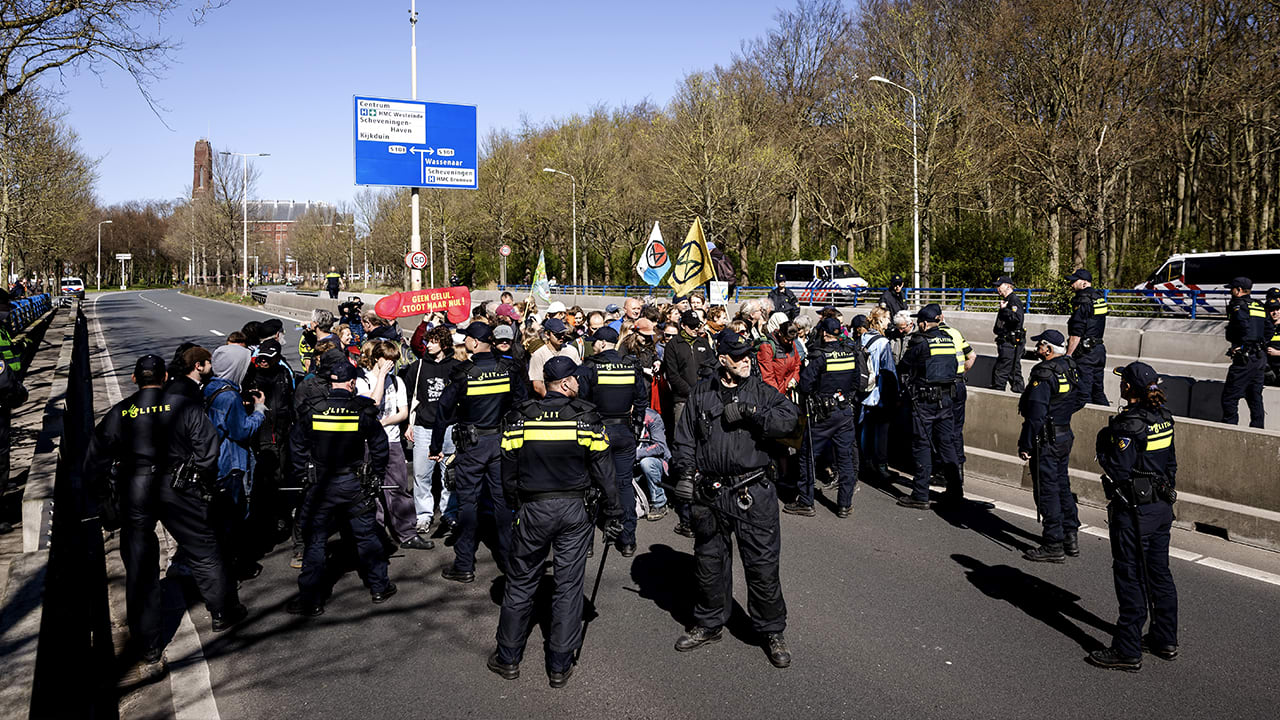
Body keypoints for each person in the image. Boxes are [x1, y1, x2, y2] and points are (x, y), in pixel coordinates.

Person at [85, 355, 246, 680]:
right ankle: (220, 612)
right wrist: (198, 479)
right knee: (203, 550)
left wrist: (104, 498)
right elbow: (208, 450)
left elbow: (94, 460)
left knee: (140, 567)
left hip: (135, 489)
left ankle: (149, 647)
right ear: (166, 377)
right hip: (178, 487)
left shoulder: (121, 412)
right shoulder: (184, 406)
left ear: (134, 379)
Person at [488, 355, 620, 688]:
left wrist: (514, 503)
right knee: (569, 585)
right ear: (564, 383)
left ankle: (508, 657)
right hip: (575, 510)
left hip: (533, 508)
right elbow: (604, 469)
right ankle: (559, 665)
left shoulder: (520, 417)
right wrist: (614, 511)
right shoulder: (586, 418)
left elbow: (507, 468)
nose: (580, 382)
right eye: (576, 378)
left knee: (520, 581)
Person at [670, 331, 799, 668]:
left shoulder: (761, 392)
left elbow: (793, 425)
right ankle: (710, 622)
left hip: (753, 490)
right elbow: (685, 439)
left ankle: (771, 630)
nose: (746, 361)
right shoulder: (701, 393)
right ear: (722, 358)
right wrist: (685, 475)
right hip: (711, 492)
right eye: (738, 356)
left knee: (762, 565)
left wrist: (751, 413)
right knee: (709, 562)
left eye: (748, 355)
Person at [287, 360, 397, 616]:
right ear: (352, 383)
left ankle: (310, 600)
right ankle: (379, 587)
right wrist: (376, 475)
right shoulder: (361, 410)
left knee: (315, 541)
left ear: (331, 383)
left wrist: (303, 474)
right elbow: (380, 446)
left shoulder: (313, 409)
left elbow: (296, 445)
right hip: (354, 483)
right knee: (366, 536)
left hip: (320, 485)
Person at [1089, 361, 1179, 672]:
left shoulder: (1128, 425)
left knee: (1130, 576)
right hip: (1161, 507)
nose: (1120, 385)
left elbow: (1118, 469)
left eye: (1122, 381)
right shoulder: (1164, 417)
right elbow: (1171, 465)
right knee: (1159, 574)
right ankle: (1165, 638)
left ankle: (1127, 650)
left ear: (1128, 387)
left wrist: (1103, 444)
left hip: (1135, 512)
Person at [430, 321, 528, 582]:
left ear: (474, 342)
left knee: (467, 504)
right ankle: (510, 562)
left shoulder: (463, 372)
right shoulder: (507, 369)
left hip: (471, 446)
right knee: (503, 502)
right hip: (500, 442)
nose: (465, 343)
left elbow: (443, 411)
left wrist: (435, 446)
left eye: (467, 339)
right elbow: (521, 403)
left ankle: (464, 564)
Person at [575, 326, 649, 556]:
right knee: (624, 484)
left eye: (594, 343)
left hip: (597, 431)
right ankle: (627, 540)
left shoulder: (589, 367)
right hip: (624, 430)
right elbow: (641, 399)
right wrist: (636, 427)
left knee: (591, 486)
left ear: (600, 343)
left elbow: (582, 403)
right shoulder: (631, 365)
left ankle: (586, 543)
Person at [358, 339, 431, 550]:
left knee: (398, 487)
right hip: (368, 444)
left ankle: (407, 534)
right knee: (371, 489)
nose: (391, 364)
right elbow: (373, 403)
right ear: (377, 358)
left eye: (394, 360)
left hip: (391, 441)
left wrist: (383, 422)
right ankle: (376, 534)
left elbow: (403, 413)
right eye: (387, 359)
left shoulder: (397, 381)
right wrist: (381, 376)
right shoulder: (363, 381)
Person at [1017, 330, 1083, 563]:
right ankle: (1070, 536)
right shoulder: (1070, 366)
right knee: (1062, 485)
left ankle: (1053, 543)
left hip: (1045, 440)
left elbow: (1035, 414)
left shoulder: (1043, 373)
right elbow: (1082, 397)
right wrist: (1061, 413)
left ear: (1048, 349)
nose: (1037, 349)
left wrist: (1025, 444)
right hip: (1064, 435)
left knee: (1047, 490)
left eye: (1040, 345)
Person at [788, 317, 860, 519]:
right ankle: (844, 505)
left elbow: (805, 386)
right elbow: (856, 383)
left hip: (822, 415)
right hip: (844, 411)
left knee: (808, 456)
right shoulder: (851, 353)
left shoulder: (819, 356)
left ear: (824, 334)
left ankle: (806, 502)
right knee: (845, 458)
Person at [205, 344, 267, 579]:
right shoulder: (230, 396)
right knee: (234, 515)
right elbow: (241, 430)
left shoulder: (210, 387)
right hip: (231, 461)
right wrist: (259, 410)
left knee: (220, 517)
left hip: (215, 461)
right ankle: (232, 568)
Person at [896, 304, 963, 509]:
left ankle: (920, 494)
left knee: (922, 445)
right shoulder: (948, 339)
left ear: (924, 324)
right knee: (947, 444)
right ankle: (955, 491)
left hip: (925, 402)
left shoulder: (921, 342)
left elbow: (904, 366)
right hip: (947, 400)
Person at [405, 324, 461, 535]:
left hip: (449, 427)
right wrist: (408, 424)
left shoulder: (456, 367)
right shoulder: (417, 367)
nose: (428, 345)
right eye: (428, 341)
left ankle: (449, 513)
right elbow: (409, 396)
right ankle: (423, 516)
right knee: (422, 474)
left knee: (449, 475)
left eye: (434, 341)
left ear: (444, 344)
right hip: (423, 427)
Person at [937, 310, 981, 501]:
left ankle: (946, 475)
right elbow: (972, 356)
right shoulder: (955, 333)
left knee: (942, 430)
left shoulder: (934, 336)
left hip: (945, 388)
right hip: (959, 384)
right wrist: (960, 373)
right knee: (956, 430)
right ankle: (958, 474)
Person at [1220, 276, 1268, 428]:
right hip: (1260, 358)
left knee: (1229, 398)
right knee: (1255, 397)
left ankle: (1229, 430)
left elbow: (1242, 326)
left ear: (1239, 290)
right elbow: (1269, 329)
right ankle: (1258, 431)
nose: (1231, 292)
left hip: (1245, 359)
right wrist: (1259, 344)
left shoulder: (1238, 305)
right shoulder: (1259, 305)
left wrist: (1242, 346)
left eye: (1232, 289)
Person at [855, 312, 897, 481]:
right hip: (878, 393)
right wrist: (895, 394)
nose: (889, 321)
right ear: (880, 320)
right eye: (887, 318)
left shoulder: (861, 339)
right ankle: (881, 466)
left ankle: (865, 463)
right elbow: (889, 370)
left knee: (865, 428)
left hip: (863, 391)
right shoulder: (883, 342)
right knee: (881, 431)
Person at [1064, 269, 1109, 405]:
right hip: (1099, 350)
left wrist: (1068, 355)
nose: (1071, 285)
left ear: (1084, 283)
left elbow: (1076, 332)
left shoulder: (1082, 300)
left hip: (1085, 353)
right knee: (1098, 391)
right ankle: (1106, 414)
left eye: (1074, 281)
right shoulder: (1098, 297)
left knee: (1084, 393)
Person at [529, 318, 581, 397]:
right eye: (557, 334)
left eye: (563, 333)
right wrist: (551, 400)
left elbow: (578, 376)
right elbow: (537, 385)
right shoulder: (538, 355)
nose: (562, 337)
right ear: (547, 334)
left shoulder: (571, 350)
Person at [991, 276, 1026, 392]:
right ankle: (1019, 392)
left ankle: (997, 393)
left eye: (999, 286)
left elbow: (1017, 319)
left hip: (1010, 342)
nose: (997, 289)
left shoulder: (1013, 300)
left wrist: (1004, 310)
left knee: (1002, 370)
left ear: (1007, 286)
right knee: (1013, 370)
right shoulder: (1008, 300)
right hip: (1007, 341)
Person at [636, 407, 671, 520]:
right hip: (632, 463)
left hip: (655, 461)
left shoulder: (652, 417)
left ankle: (659, 503)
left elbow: (660, 446)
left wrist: (634, 454)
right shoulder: (620, 414)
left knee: (647, 463)